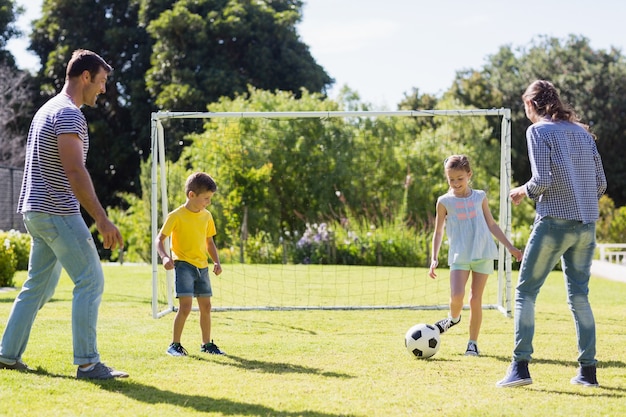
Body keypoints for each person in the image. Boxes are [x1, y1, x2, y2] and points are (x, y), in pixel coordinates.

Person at [0, 50, 128, 379]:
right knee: (90, 280)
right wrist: (101, 218)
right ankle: (88, 363)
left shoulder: (47, 109)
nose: (103, 89)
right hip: (56, 211)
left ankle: (7, 355)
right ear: (85, 77)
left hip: (36, 211)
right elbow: (74, 170)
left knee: (38, 286)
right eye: (100, 82)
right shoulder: (69, 114)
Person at [496, 80, 607, 388]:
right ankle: (588, 373)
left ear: (532, 105)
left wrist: (522, 190)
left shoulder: (538, 131)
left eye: (525, 107)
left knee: (525, 292)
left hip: (554, 222)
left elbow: (542, 180)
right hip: (586, 225)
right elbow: (601, 184)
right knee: (580, 296)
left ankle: (520, 369)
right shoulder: (583, 133)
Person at [429, 155, 523, 356]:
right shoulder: (444, 201)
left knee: (475, 299)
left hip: (483, 252)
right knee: (456, 295)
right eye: (451, 179)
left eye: (460, 179)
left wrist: (510, 247)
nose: (456, 183)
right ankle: (453, 318)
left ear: (469, 175)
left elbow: (491, 224)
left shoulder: (479, 196)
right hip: (459, 254)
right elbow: (438, 231)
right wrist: (434, 257)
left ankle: (472, 343)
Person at [156, 172, 225, 357]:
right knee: (185, 307)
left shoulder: (207, 216)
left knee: (206, 307)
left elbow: (209, 242)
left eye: (210, 199)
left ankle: (206, 344)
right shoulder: (176, 216)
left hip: (202, 267)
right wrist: (164, 257)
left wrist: (216, 262)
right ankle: (174, 345)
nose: (208, 202)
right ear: (191, 195)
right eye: (206, 198)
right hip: (183, 265)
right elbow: (159, 239)